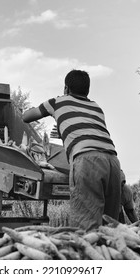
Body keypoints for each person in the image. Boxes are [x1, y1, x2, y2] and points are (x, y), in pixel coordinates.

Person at [22, 69, 121, 230]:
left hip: (87, 161)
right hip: (113, 162)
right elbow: (88, 132)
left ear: (66, 88)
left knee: (86, 228)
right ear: (87, 90)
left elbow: (26, 117)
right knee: (111, 227)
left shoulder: (58, 102)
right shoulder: (96, 107)